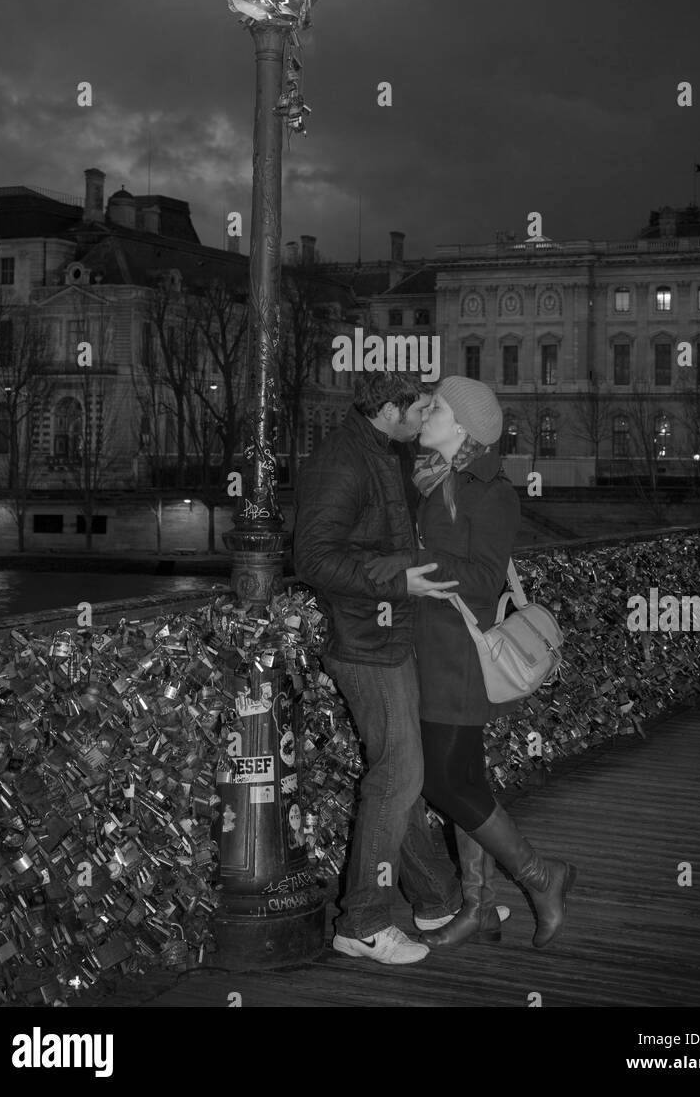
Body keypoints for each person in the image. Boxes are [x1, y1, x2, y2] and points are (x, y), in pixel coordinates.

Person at [293, 370, 464, 965]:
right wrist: (399, 577)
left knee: (402, 775)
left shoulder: (377, 450)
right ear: (390, 410)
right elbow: (313, 558)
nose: (423, 418)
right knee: (397, 776)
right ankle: (362, 921)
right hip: (365, 642)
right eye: (417, 410)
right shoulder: (344, 461)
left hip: (386, 633)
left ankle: (438, 899)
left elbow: (376, 536)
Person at [401, 376, 576, 949]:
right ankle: (480, 905)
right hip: (432, 650)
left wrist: (421, 568)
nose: (427, 412)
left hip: (461, 659)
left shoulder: (492, 492)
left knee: (445, 782)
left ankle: (543, 878)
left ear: (464, 428)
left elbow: (483, 577)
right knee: (467, 780)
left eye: (439, 407)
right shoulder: (434, 480)